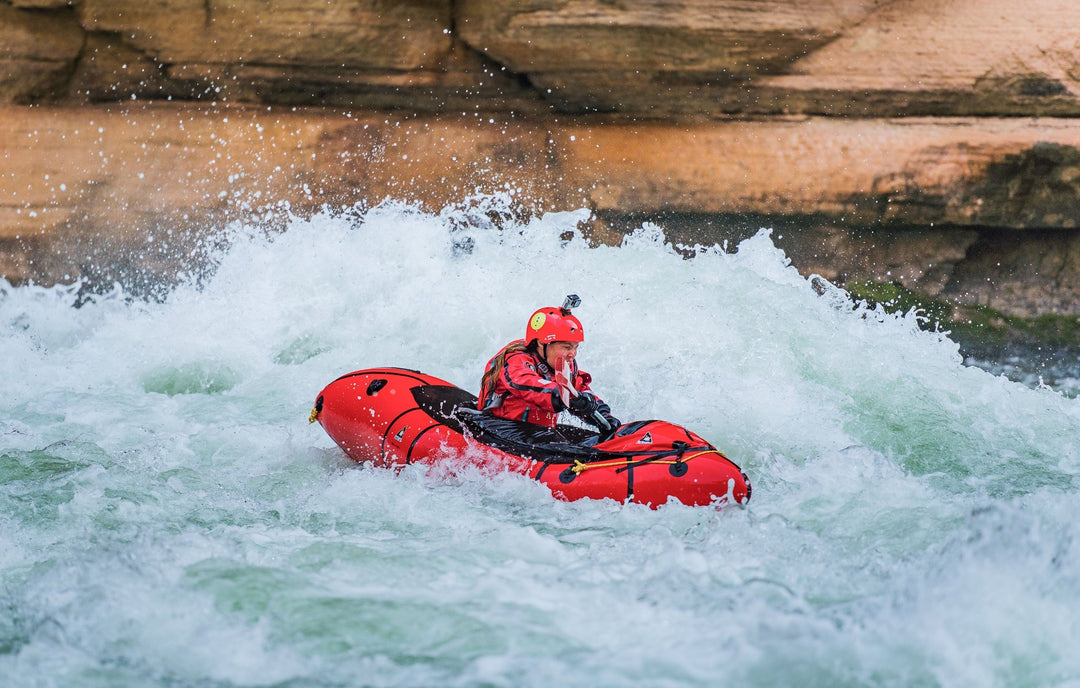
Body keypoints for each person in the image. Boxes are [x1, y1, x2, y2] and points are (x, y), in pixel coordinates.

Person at [478, 295, 620, 438]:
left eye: (576, 347)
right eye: (566, 347)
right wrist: (563, 396)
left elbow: (578, 388)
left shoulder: (564, 363)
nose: (573, 354)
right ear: (541, 343)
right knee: (556, 442)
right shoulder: (515, 360)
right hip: (498, 430)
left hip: (536, 432)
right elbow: (528, 384)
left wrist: (600, 413)